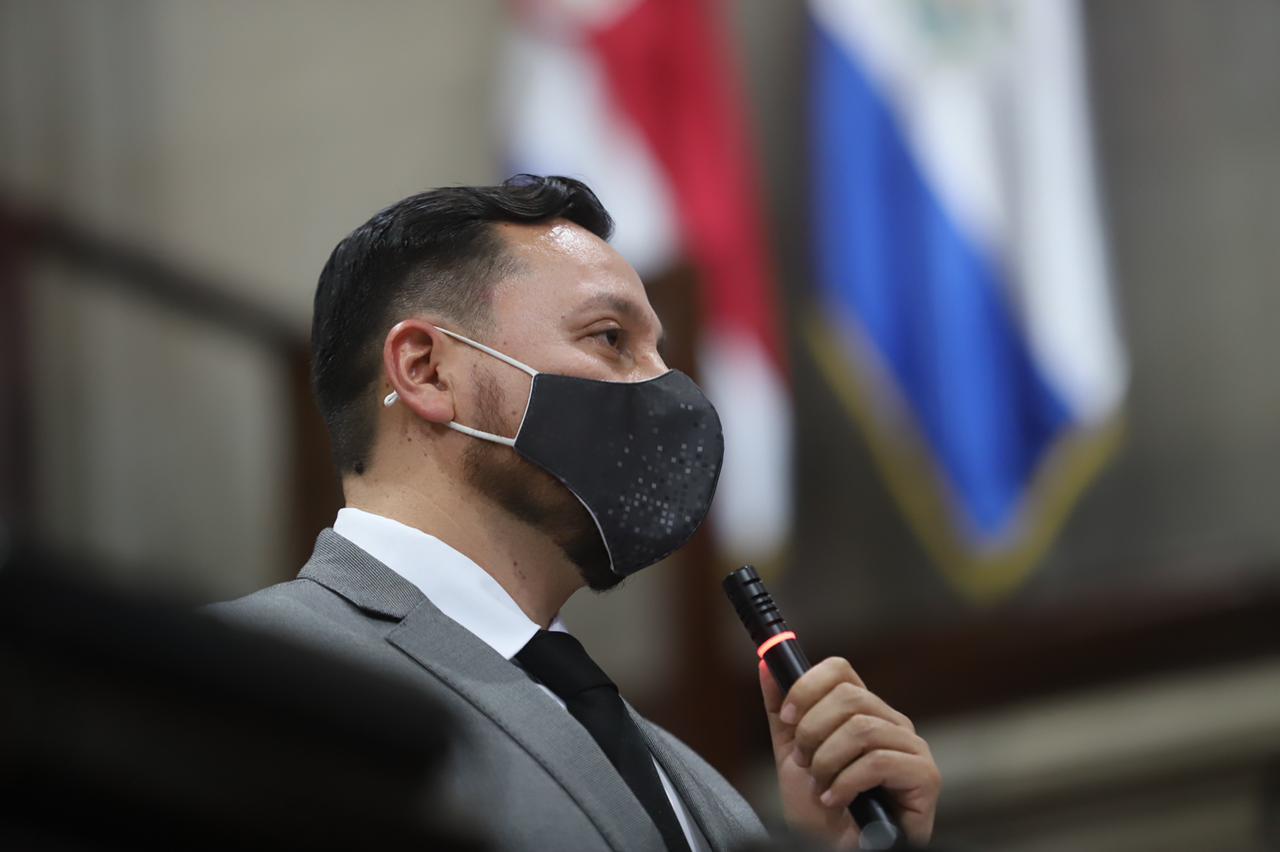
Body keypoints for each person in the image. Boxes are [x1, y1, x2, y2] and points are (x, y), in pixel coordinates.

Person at [213, 175, 941, 851]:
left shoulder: (689, 780)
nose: (665, 388)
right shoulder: (254, 680)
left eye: (662, 352)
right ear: (429, 371)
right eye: (610, 339)